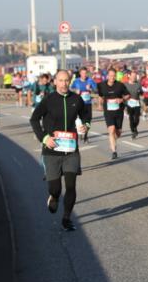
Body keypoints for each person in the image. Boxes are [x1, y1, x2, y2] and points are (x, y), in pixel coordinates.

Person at [30, 70, 90, 231]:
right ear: (55, 82)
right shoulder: (48, 100)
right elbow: (34, 119)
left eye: (66, 81)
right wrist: (44, 138)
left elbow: (86, 114)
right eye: (61, 80)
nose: (64, 84)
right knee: (55, 188)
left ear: (70, 81)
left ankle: (66, 218)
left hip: (71, 150)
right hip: (52, 150)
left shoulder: (76, 99)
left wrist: (86, 125)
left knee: (71, 186)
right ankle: (54, 197)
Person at [98, 67, 129, 159]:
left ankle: (113, 140)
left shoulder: (120, 85)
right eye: (110, 75)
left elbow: (128, 95)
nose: (112, 77)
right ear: (107, 76)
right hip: (108, 111)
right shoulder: (101, 85)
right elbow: (100, 96)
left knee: (118, 132)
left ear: (115, 76)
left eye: (113, 76)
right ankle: (114, 151)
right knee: (111, 130)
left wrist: (122, 99)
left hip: (119, 111)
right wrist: (99, 105)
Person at [71, 67, 98, 144]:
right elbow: (71, 89)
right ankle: (79, 131)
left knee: (88, 120)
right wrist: (76, 90)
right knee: (79, 120)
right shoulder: (76, 81)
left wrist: (90, 89)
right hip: (78, 104)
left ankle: (86, 136)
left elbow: (96, 90)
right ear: (80, 73)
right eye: (82, 73)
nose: (84, 75)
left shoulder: (90, 81)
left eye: (85, 73)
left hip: (88, 103)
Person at [122, 69, 143, 139]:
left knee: (137, 118)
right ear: (129, 76)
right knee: (131, 118)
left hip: (137, 103)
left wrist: (141, 92)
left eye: (135, 76)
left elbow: (142, 93)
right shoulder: (125, 84)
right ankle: (133, 131)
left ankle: (135, 127)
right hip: (129, 103)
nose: (134, 77)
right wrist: (124, 98)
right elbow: (122, 94)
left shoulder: (138, 84)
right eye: (133, 76)